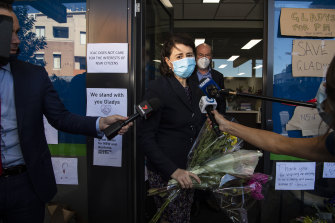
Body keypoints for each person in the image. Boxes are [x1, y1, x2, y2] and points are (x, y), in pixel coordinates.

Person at [0, 3, 132, 223]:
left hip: (25, 185)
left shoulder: (33, 76)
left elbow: (61, 117)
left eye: (18, 32)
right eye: (9, 32)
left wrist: (100, 123)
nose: (17, 40)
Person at [210, 56, 335, 162]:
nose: (322, 87)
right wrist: (226, 125)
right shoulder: (331, 142)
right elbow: (279, 143)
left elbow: (280, 144)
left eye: (327, 85)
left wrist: (227, 125)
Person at [138, 33, 203, 223]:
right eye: (179, 56)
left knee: (183, 216)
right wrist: (173, 170)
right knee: (173, 218)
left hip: (189, 169)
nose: (186, 60)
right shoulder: (157, 89)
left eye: (189, 55)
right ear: (168, 61)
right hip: (167, 172)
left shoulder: (195, 87)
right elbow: (145, 137)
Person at [189, 43, 226, 114]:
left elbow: (222, 102)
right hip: (193, 120)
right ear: (195, 56)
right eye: (200, 55)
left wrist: (221, 119)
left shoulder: (218, 76)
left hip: (213, 118)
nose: (204, 58)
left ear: (211, 57)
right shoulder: (188, 75)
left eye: (207, 55)